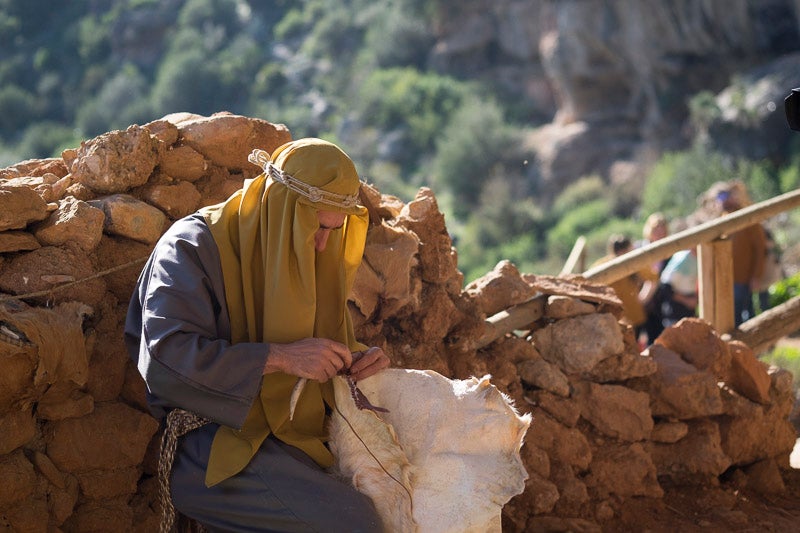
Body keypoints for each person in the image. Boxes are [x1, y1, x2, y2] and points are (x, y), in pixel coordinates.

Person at [124, 138, 390, 532]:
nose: (323, 244)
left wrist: (354, 359)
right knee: (354, 525)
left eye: (335, 231)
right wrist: (281, 357)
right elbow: (166, 358)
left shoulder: (308, 249)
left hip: (292, 434)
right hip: (213, 443)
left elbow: (311, 339)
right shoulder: (190, 246)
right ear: (282, 207)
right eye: (317, 226)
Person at [716, 181, 767, 326]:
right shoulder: (721, 220)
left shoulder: (747, 217)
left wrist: (756, 276)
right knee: (732, 318)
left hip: (744, 279)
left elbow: (760, 248)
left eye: (726, 196)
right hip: (727, 279)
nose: (723, 201)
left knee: (746, 317)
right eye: (720, 198)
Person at [593, 234, 655, 346]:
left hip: (631, 317)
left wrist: (644, 297)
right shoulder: (604, 265)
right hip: (616, 318)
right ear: (624, 251)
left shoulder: (631, 263)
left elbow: (653, 278)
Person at [658, 247, 699, 329]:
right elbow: (665, 286)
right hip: (675, 308)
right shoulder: (682, 259)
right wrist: (686, 301)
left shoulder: (697, 258)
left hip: (688, 307)